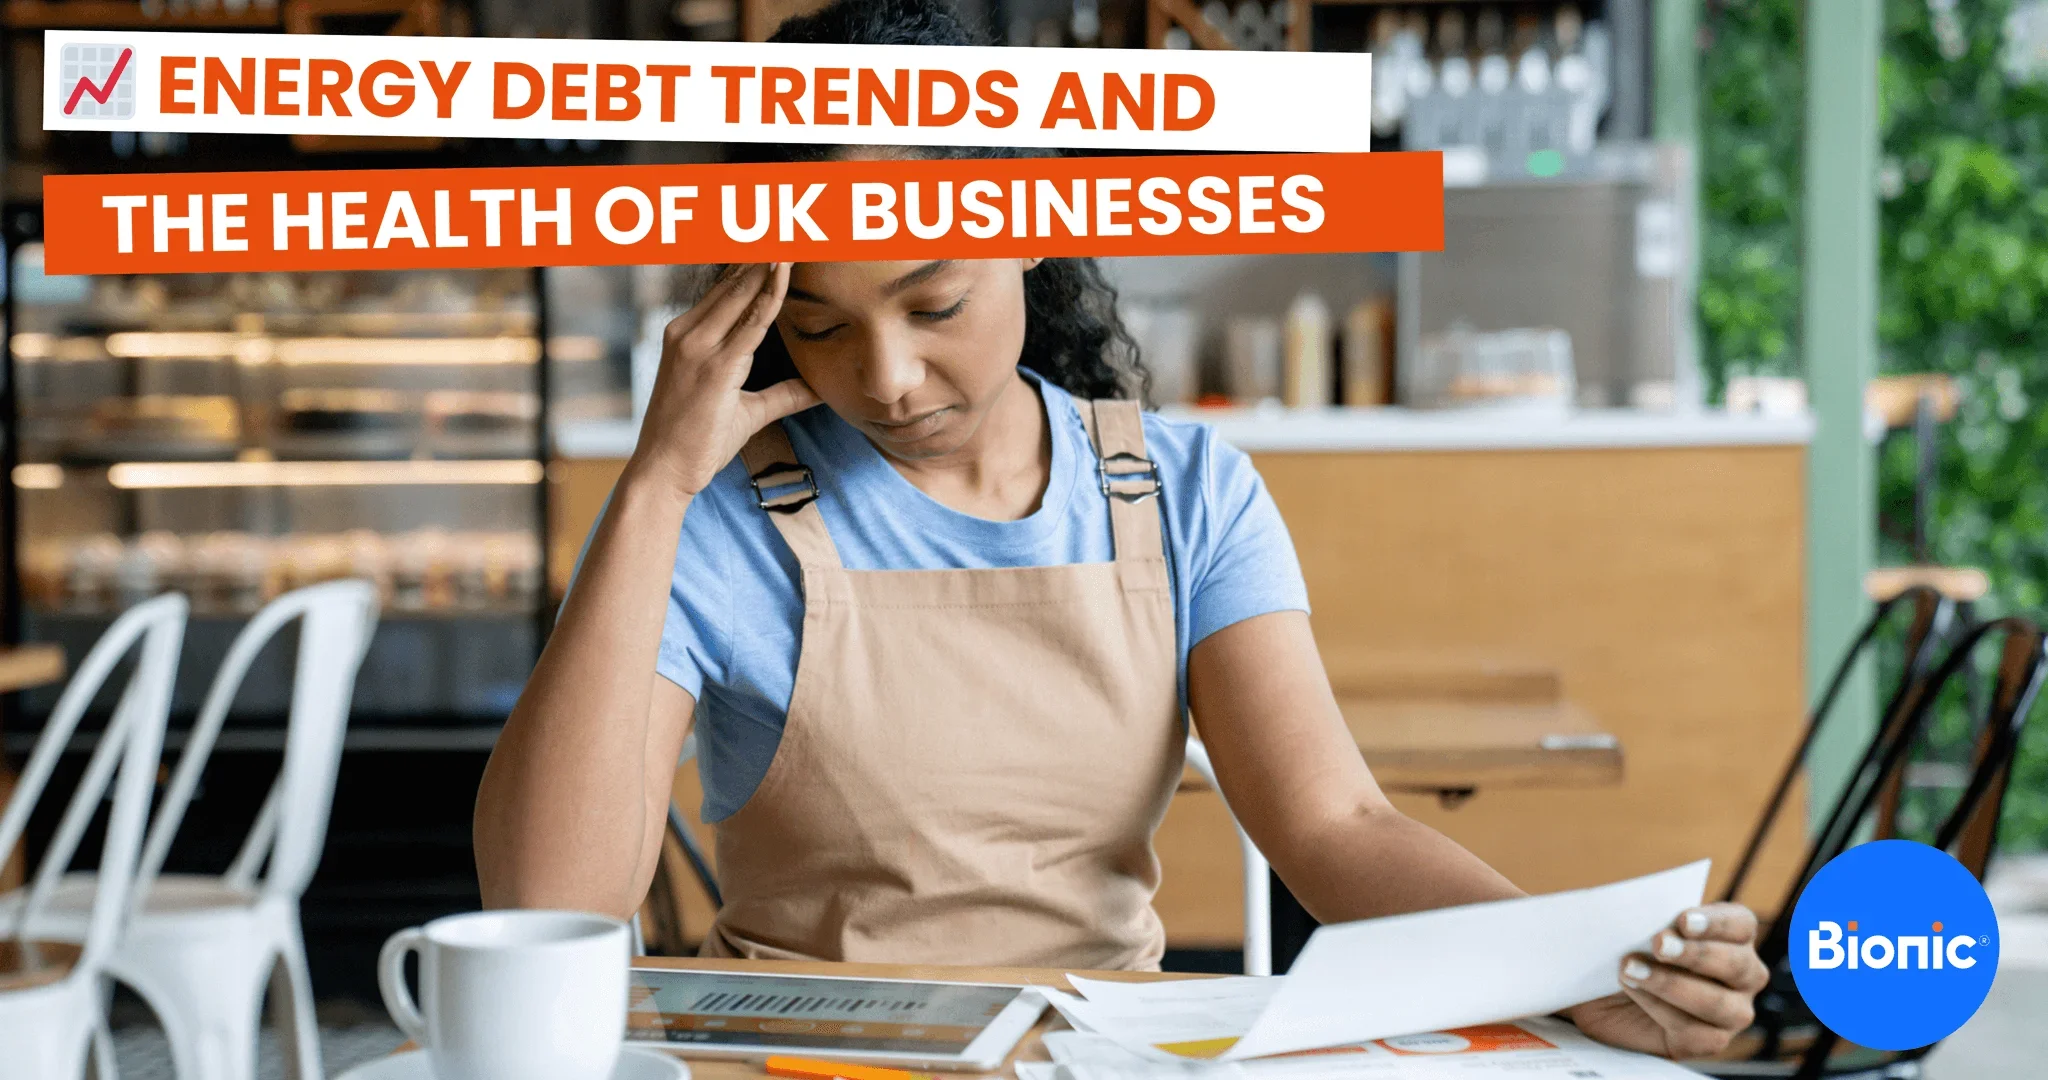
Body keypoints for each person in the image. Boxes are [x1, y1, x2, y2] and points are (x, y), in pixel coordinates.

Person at [475, 0, 1768, 1060]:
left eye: (935, 305)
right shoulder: (712, 519)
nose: (888, 380)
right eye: (819, 326)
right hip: (800, 1062)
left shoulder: (1189, 492)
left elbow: (1334, 828)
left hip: (1096, 1055)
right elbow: (549, 908)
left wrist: (1574, 972)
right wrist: (655, 484)